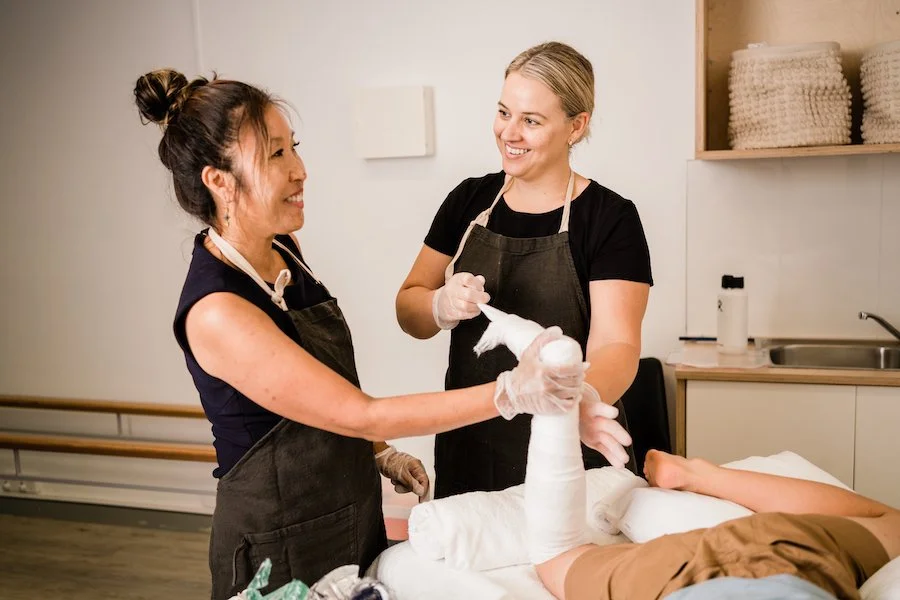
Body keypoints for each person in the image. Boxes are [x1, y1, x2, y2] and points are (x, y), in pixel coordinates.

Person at [133, 69, 588, 600]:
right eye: (275, 155)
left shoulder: (283, 253)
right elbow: (359, 410)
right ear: (218, 180)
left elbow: (314, 391)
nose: (300, 170)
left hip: (349, 517)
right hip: (277, 547)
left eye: (293, 148)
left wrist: (378, 452)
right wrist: (510, 392)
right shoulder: (217, 309)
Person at [395, 41, 653, 498]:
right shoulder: (469, 200)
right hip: (470, 445)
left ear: (577, 126)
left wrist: (580, 404)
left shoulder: (610, 218)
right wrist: (439, 304)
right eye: (503, 112)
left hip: (571, 450)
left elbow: (617, 344)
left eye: (531, 121)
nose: (509, 132)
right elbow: (408, 309)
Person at [533, 449, 898, 600]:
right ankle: (699, 475)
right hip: (783, 557)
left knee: (557, 559)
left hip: (686, 572)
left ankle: (698, 475)